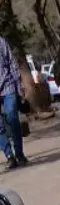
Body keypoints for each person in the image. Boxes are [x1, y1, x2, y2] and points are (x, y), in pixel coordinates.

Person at [0, 32, 30, 169]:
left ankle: (19, 154)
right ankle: (9, 156)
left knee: (12, 118)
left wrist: (19, 87)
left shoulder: (1, 42)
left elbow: (12, 63)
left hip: (7, 86)